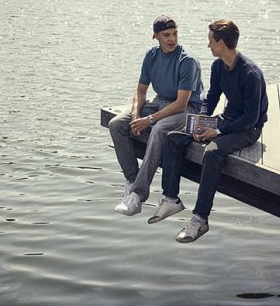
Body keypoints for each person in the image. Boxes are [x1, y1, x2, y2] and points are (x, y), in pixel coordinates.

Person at [148, 19, 268, 243]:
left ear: (221, 43)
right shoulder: (218, 66)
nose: (208, 46)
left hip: (248, 129)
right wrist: (201, 119)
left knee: (212, 153)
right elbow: (211, 98)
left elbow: (251, 118)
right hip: (227, 120)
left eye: (210, 41)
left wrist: (218, 131)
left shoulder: (250, 74)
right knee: (174, 137)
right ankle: (171, 199)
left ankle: (200, 219)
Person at [109, 15, 205, 216]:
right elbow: (141, 91)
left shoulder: (187, 61)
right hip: (160, 101)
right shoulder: (151, 55)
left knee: (159, 130)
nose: (172, 39)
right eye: (166, 35)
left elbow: (182, 103)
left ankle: (137, 196)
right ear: (155, 36)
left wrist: (150, 120)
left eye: (175, 34)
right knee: (116, 123)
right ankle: (132, 180)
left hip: (188, 109)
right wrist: (136, 115)